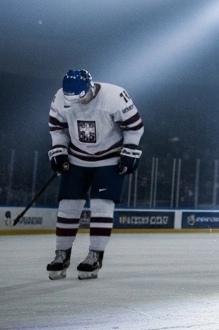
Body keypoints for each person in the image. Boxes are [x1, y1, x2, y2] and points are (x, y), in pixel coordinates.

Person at [44, 69, 144, 280]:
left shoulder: (114, 96)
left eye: (81, 97)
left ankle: (95, 255)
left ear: (89, 88)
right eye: (72, 98)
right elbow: (57, 128)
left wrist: (130, 150)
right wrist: (59, 150)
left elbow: (135, 127)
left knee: (102, 205)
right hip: (77, 159)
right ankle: (61, 254)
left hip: (109, 159)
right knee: (68, 206)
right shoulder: (60, 97)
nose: (78, 102)